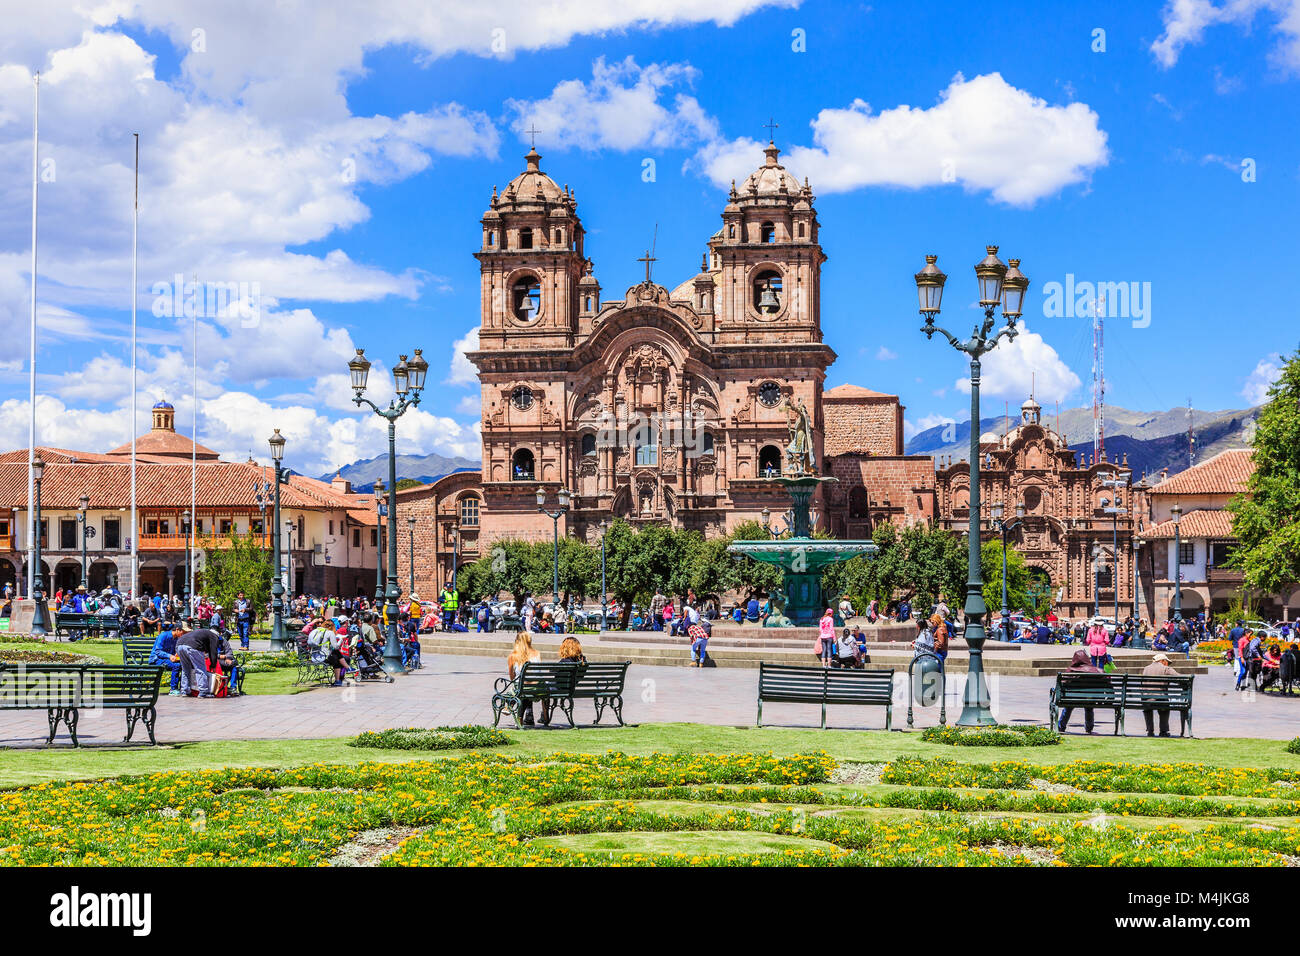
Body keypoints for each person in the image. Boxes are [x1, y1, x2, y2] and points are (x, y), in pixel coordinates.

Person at [1057, 649, 1104, 734]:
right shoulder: (1098, 671)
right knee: (1089, 706)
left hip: (1073, 699)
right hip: (1090, 699)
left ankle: (1061, 727)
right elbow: (1108, 684)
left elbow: (1063, 684)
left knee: (1068, 707)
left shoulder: (1071, 670)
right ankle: (1089, 728)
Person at [175, 623, 220, 698]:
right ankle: (203, 692)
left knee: (185, 669)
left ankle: (184, 690)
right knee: (200, 669)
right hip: (192, 646)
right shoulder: (214, 636)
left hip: (179, 645)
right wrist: (213, 665)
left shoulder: (203, 633)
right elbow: (213, 652)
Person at [506, 632, 542, 726]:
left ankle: (510, 706)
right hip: (537, 688)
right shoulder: (537, 654)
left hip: (521, 687)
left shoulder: (513, 656)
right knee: (527, 687)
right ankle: (528, 715)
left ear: (517, 641)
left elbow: (512, 677)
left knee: (519, 688)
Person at [1141, 652, 1179, 737]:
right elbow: (1179, 677)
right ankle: (1163, 731)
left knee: (1147, 709)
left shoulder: (1146, 669)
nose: (1168, 664)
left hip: (1147, 700)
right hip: (1161, 699)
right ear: (1162, 661)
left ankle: (1150, 731)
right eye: (1167, 662)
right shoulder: (1166, 668)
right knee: (1165, 709)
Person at [149, 623, 182, 695]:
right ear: (177, 630)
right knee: (176, 665)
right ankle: (173, 689)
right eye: (183, 631)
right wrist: (170, 656)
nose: (184, 633)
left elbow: (174, 652)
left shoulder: (176, 639)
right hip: (156, 659)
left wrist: (176, 655)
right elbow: (157, 651)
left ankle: (183, 687)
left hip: (166, 659)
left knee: (184, 665)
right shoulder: (163, 635)